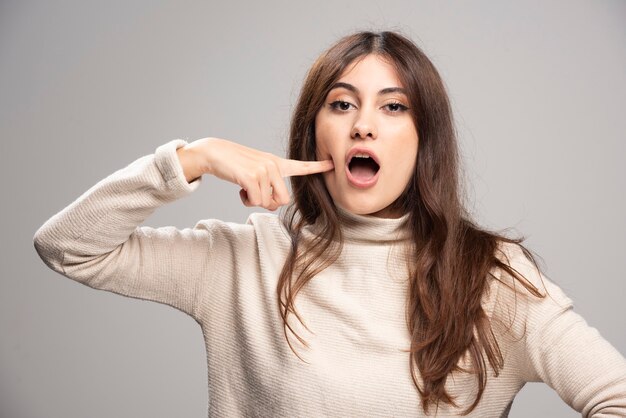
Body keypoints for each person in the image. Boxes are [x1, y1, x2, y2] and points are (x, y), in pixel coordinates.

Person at [33, 31, 626, 417]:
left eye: (393, 107)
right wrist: (195, 156)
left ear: (425, 142)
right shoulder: (243, 258)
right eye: (342, 104)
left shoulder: (488, 275)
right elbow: (66, 246)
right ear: (314, 129)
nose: (363, 125)